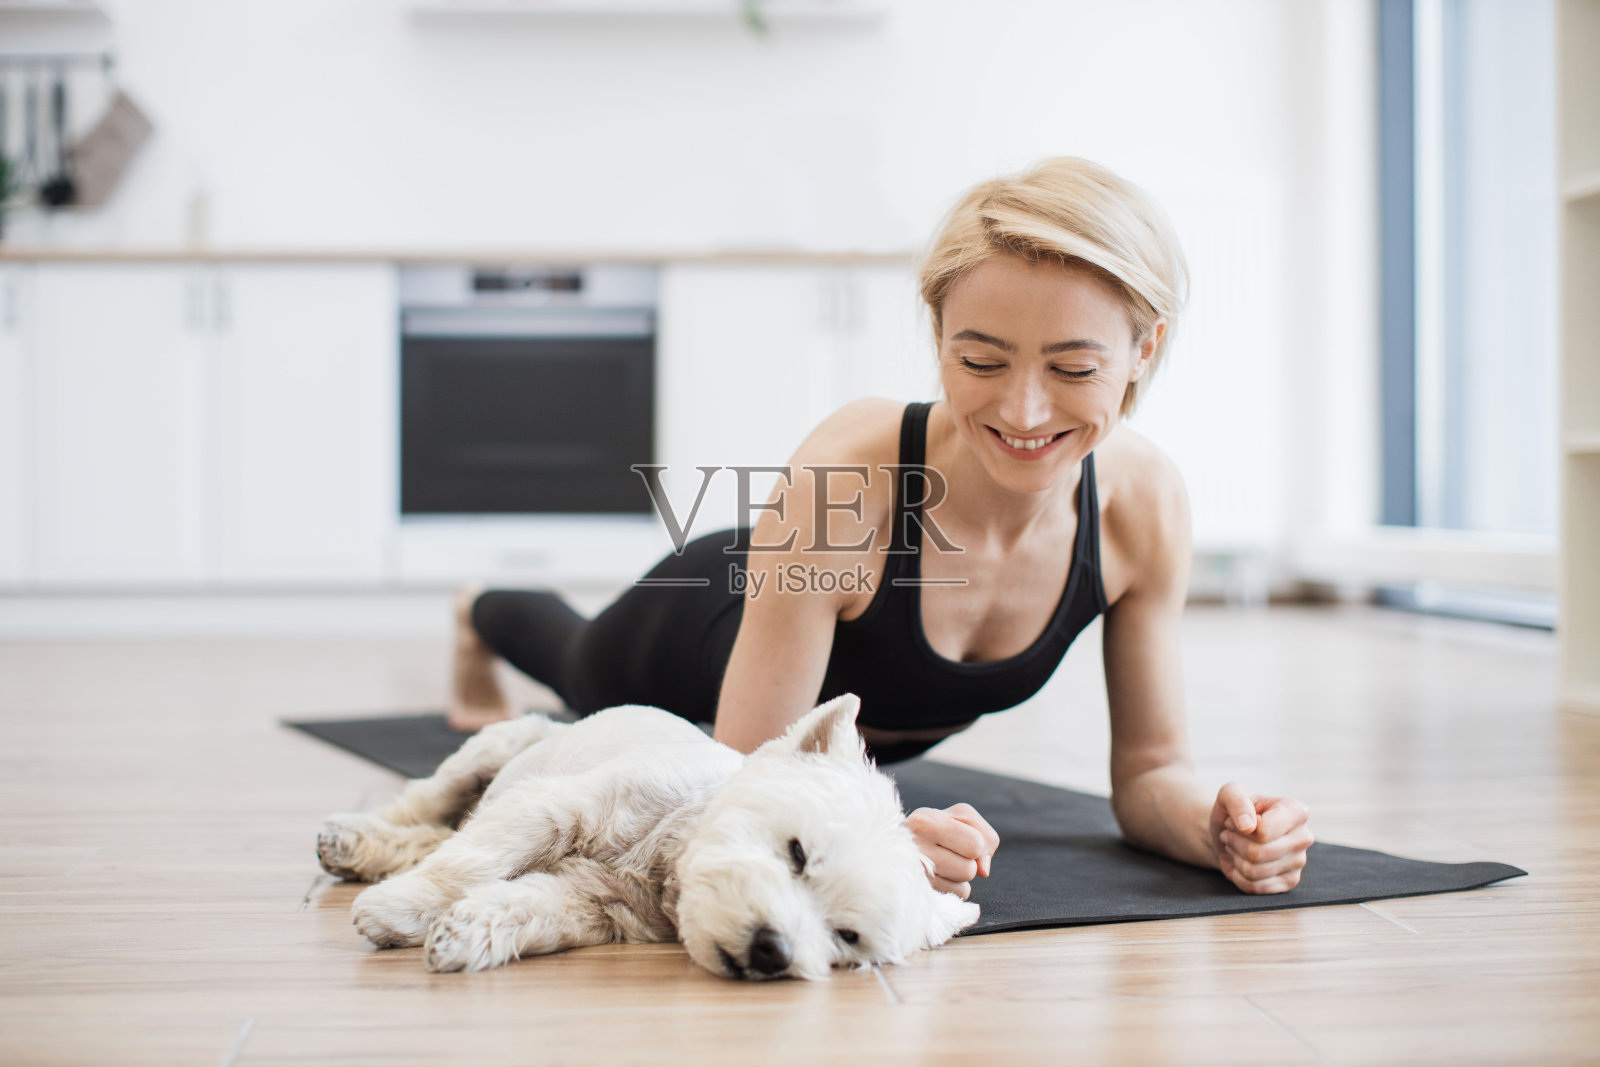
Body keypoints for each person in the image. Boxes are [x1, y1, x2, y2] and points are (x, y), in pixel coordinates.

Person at [450, 157, 1314, 901]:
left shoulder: (1142, 507)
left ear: (1143, 352)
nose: (1023, 408)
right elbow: (748, 788)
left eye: (1074, 367)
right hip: (696, 630)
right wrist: (875, 840)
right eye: (981, 360)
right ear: (938, 337)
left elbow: (1151, 774)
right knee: (571, 661)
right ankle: (476, 610)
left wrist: (1216, 829)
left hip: (838, 721)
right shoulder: (846, 478)